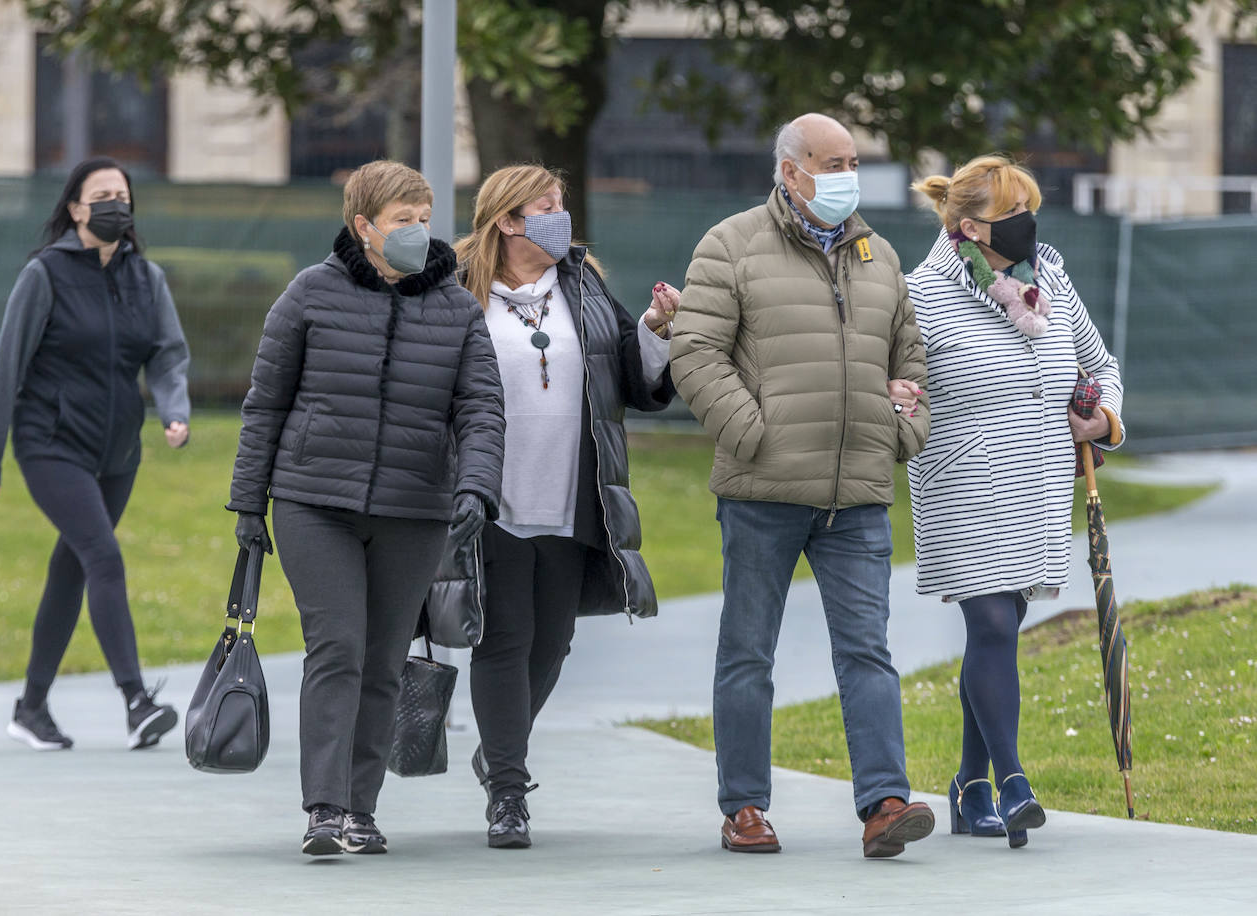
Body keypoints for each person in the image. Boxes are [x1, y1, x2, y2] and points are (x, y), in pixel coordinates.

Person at [670, 114, 935, 858]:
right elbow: (694, 352)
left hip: (857, 498)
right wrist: (754, 433)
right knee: (749, 653)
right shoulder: (731, 245)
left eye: (852, 160)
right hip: (762, 493)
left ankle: (885, 803)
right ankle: (744, 808)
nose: (845, 173)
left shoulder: (878, 255)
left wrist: (900, 434)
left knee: (868, 653)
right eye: (830, 161)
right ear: (790, 170)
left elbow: (912, 364)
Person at [228, 160, 504, 857]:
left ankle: (360, 807)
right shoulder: (309, 296)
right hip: (313, 502)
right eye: (400, 221)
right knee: (339, 647)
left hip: (414, 510)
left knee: (383, 659)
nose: (416, 232)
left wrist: (476, 485)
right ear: (363, 227)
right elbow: (266, 403)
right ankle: (323, 808)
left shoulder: (456, 308)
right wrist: (247, 503)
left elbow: (480, 408)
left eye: (423, 219)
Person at [443, 164, 675, 849]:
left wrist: (659, 330)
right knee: (505, 639)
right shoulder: (458, 291)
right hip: (492, 499)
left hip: (574, 495)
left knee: (555, 641)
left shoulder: (584, 282)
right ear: (508, 221)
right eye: (544, 206)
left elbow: (632, 378)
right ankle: (508, 794)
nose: (559, 216)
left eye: (561, 204)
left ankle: (499, 749)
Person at [907, 156, 1124, 849]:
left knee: (996, 629)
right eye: (1015, 211)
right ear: (969, 226)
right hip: (962, 488)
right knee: (995, 624)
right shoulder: (920, 294)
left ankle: (969, 788)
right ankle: (1013, 782)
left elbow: (1102, 366)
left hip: (1036, 486)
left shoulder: (1049, 278)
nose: (1031, 223)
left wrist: (1104, 419)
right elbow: (896, 386)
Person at [0, 156, 190, 753]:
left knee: (73, 570)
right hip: (50, 445)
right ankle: (137, 701)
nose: (116, 202)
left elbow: (168, 356)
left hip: (118, 451)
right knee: (104, 558)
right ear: (76, 208)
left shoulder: (148, 280)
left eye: (123, 193)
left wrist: (175, 411)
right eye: (102, 194)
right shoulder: (45, 275)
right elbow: (6, 366)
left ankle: (31, 708)